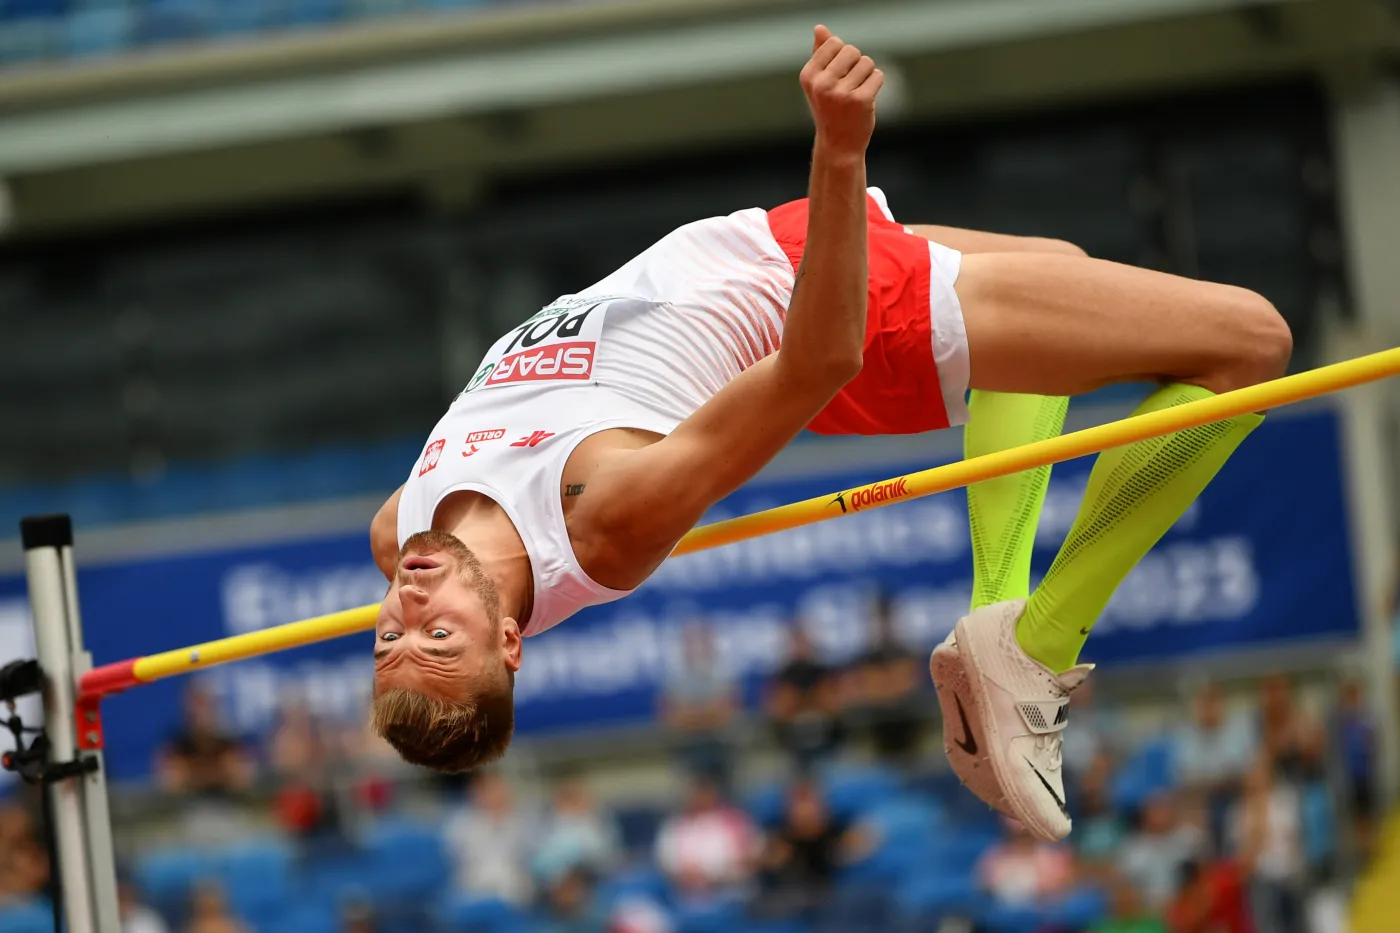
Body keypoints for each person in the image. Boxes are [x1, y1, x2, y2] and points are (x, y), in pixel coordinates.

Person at [364, 23, 1292, 846]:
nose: (407, 608)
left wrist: (429, 651)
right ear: (512, 644)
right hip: (825, 306)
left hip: (761, 247)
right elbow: (818, 362)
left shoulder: (398, 529)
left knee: (1061, 273)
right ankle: (1035, 641)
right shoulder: (602, 517)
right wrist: (839, 152)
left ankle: (998, 621)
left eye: (387, 639)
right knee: (1250, 343)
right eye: (439, 635)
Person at [754, 778, 873, 920]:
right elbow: (760, 865)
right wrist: (772, 861)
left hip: (834, 900)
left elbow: (866, 842)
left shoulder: (838, 831)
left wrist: (849, 847)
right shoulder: (780, 839)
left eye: (811, 803)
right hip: (793, 903)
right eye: (799, 804)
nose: (806, 811)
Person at [842, 594, 923, 764]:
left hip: (907, 724)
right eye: (877, 621)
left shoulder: (907, 653)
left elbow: (908, 686)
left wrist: (886, 688)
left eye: (887, 620)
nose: (882, 627)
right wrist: (886, 687)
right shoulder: (864, 659)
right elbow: (867, 691)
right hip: (876, 727)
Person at [658, 622, 741, 787]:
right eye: (691, 642)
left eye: (700, 642)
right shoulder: (674, 678)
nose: (697, 648)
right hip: (686, 746)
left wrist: (691, 714)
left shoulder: (724, 672)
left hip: (721, 743)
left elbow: (726, 714)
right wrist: (708, 714)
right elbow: (673, 719)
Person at [654, 777, 758, 906]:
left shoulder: (735, 821)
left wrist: (714, 876)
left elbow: (749, 860)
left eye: (705, 794)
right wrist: (685, 874)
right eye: (697, 794)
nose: (700, 798)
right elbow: (666, 862)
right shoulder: (674, 826)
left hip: (730, 894)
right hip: (685, 896)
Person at [442, 770, 538, 905]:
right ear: (475, 794)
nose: (494, 795)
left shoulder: (523, 820)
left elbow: (533, 855)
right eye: (486, 791)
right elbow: (453, 859)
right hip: (475, 890)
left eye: (497, 789)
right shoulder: (459, 825)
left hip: (516, 891)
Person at [766, 626, 843, 770]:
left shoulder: (824, 673)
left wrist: (802, 701)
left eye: (804, 643)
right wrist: (810, 700)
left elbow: (833, 704)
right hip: (791, 742)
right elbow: (779, 709)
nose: (801, 648)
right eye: (797, 643)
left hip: (828, 737)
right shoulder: (781, 677)